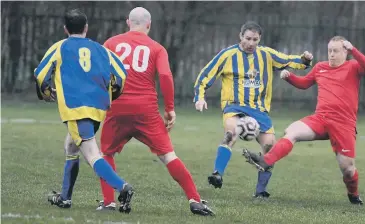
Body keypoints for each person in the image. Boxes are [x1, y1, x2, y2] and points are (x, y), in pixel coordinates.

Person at [96, 7, 214, 216]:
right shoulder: (157, 48)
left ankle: (109, 202)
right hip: (146, 110)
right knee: (168, 156)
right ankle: (194, 200)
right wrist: (169, 109)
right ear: (149, 25)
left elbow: (99, 72)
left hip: (118, 107)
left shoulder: (111, 43)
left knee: (106, 153)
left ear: (127, 22)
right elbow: (166, 77)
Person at [242, 36, 365, 205]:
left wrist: (354, 49)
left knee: (347, 169)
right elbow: (304, 84)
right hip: (320, 119)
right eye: (329, 51)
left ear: (345, 52)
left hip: (343, 124)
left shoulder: (353, 66)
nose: (331, 54)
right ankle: (266, 161)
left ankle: (353, 194)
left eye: (336, 51)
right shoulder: (320, 68)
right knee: (292, 131)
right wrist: (289, 77)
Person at [193, 21, 313, 198]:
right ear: (240, 36)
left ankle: (261, 191)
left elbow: (289, 60)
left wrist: (305, 60)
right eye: (247, 38)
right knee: (231, 133)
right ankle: (217, 174)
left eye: (255, 39)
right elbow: (205, 75)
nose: (251, 43)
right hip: (234, 107)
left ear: (259, 39)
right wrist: (199, 97)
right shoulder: (227, 55)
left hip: (259, 111)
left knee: (270, 147)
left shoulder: (267, 54)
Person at [34, 9, 134, 213]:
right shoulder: (102, 49)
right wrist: (112, 94)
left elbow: (40, 73)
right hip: (98, 108)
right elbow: (121, 75)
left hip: (76, 108)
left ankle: (122, 187)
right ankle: (65, 198)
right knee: (71, 146)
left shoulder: (60, 47)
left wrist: (45, 93)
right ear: (86, 28)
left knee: (91, 154)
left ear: (65, 29)